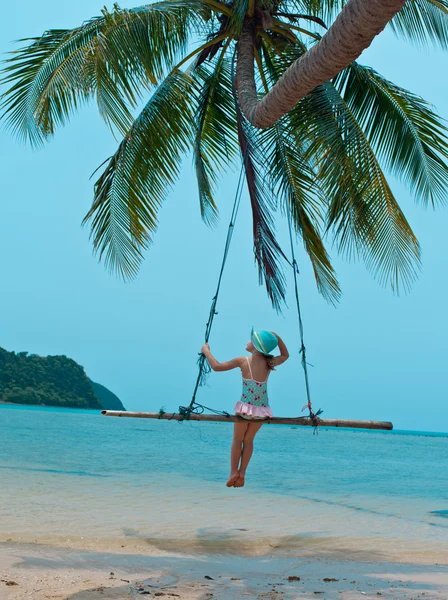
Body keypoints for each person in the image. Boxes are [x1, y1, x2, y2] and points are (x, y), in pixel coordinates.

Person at [201, 327, 289, 488]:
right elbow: (285, 355)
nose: (247, 341)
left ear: (256, 346)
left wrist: (206, 351)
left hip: (245, 409)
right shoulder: (269, 363)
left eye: (251, 340)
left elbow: (217, 366)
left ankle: (233, 472)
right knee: (248, 440)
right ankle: (242, 474)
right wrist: (277, 337)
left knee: (237, 439)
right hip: (262, 410)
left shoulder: (243, 361)